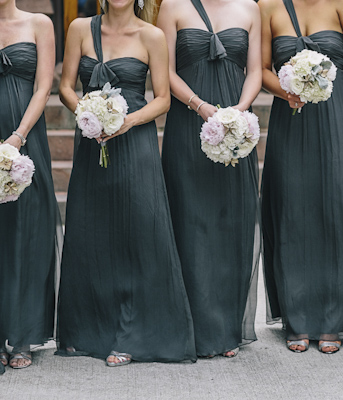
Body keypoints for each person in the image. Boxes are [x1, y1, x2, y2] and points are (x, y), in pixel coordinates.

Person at [56, 0, 196, 366]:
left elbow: (163, 99)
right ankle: (89, 330)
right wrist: (86, 113)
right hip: (92, 142)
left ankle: (132, 333)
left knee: (138, 232)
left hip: (136, 145)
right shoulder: (78, 29)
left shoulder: (151, 35)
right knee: (92, 231)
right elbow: (66, 87)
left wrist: (126, 122)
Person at [259, 0, 343, 354]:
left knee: (336, 212)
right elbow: (261, 69)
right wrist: (285, 90)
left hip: (336, 117)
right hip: (289, 120)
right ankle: (297, 318)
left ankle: (333, 319)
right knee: (292, 212)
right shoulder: (268, 6)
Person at [156, 0, 261, 358]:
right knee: (190, 222)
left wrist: (239, 114)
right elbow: (164, 71)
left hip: (236, 128)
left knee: (232, 221)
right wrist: (200, 106)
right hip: (188, 124)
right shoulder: (171, 7)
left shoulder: (250, 8)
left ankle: (225, 327)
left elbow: (256, 71)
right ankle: (195, 326)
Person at [0, 0, 59, 370]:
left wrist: (17, 138)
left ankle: (21, 334)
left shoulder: (40, 23)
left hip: (25, 138)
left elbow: (44, 86)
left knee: (28, 232)